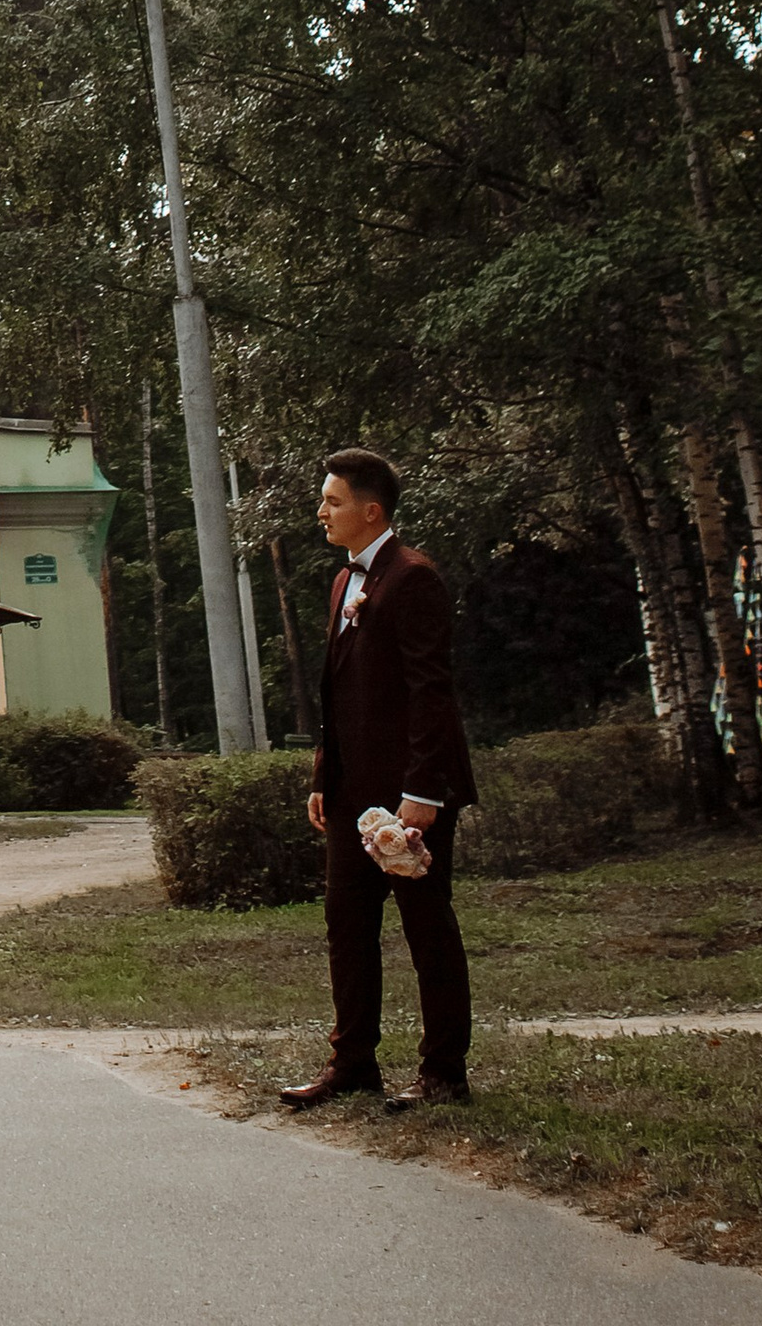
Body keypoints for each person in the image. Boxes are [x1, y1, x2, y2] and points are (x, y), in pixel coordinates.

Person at [282, 445, 477, 1110]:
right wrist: (321, 776)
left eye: (332, 501)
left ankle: (444, 1073)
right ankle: (353, 1065)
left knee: (428, 929)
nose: (322, 512)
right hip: (348, 795)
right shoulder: (343, 583)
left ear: (371, 510)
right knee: (347, 926)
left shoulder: (414, 578)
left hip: (407, 799)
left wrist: (422, 794)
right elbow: (338, 693)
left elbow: (432, 694)